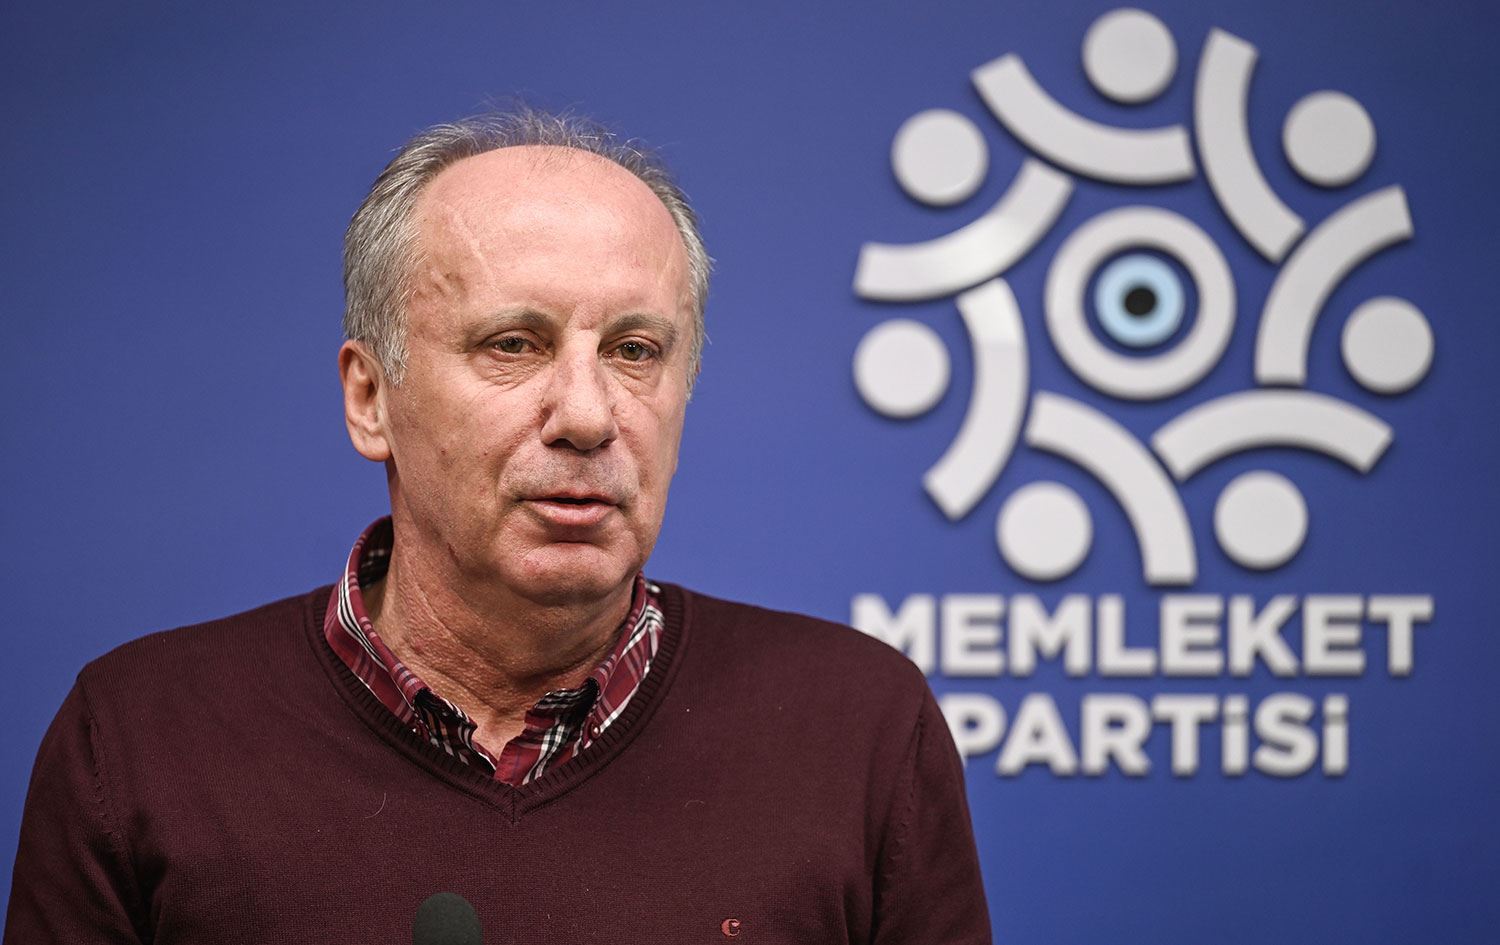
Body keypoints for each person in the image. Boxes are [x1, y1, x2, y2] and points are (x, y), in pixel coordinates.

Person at [4, 110, 991, 944]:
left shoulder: (858, 729)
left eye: (635, 350)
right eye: (514, 344)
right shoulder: (138, 740)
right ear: (370, 398)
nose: (588, 415)